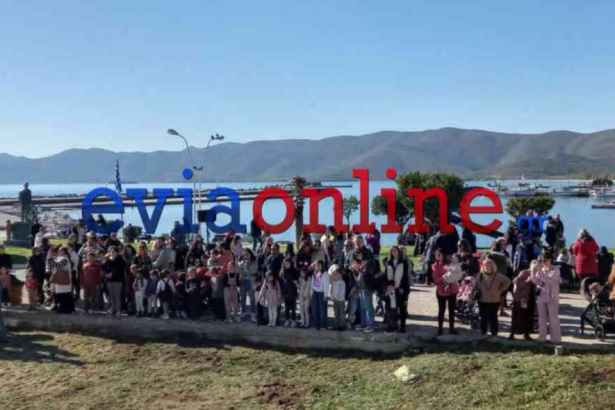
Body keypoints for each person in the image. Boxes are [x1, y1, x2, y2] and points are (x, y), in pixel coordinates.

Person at [531, 251, 561, 343]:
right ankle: (542, 337)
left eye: (544, 260)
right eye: (541, 261)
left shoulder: (556, 269)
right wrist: (533, 271)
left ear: (550, 260)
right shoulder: (541, 270)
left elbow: (549, 280)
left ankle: (555, 339)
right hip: (541, 296)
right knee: (541, 318)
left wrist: (540, 271)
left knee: (553, 318)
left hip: (552, 297)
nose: (543, 262)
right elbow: (535, 281)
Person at [477, 258, 511, 336]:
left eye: (488, 265)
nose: (487, 266)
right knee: (483, 317)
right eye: (485, 265)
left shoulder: (498, 275)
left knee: (493, 317)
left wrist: (501, 289)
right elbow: (476, 285)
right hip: (482, 299)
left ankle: (494, 332)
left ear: (492, 266)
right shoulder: (480, 275)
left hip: (494, 300)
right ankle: (483, 331)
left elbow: (508, 281)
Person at [432, 249, 458, 335]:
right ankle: (440, 329)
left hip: (452, 290)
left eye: (440, 255)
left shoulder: (452, 264)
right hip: (441, 290)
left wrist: (451, 278)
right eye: (438, 255)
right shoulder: (435, 266)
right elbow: (436, 279)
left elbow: (456, 275)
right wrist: (445, 278)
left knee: (451, 310)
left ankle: (451, 328)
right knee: (441, 310)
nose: (439, 256)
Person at [385, 246, 410, 333]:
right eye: (392, 251)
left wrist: (403, 287)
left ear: (399, 252)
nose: (394, 252)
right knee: (392, 308)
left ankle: (403, 326)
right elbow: (386, 275)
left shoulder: (404, 262)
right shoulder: (388, 262)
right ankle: (393, 325)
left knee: (402, 308)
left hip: (401, 288)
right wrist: (388, 286)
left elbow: (405, 277)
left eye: (395, 251)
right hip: (391, 288)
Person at [509, 262, 536, 341]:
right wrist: (527, 281)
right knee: (518, 315)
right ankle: (512, 334)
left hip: (531, 298)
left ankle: (526, 334)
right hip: (522, 298)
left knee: (528, 316)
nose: (536, 269)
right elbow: (516, 282)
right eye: (534, 267)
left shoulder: (538, 274)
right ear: (530, 266)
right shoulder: (524, 273)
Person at [102, 246, 126, 317]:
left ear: (117, 252)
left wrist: (112, 274)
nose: (112, 253)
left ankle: (118, 310)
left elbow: (120, 269)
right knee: (111, 296)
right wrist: (106, 274)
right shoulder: (108, 259)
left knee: (117, 296)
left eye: (113, 251)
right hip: (109, 280)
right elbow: (103, 267)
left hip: (118, 280)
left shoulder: (120, 259)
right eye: (110, 251)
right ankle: (113, 308)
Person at [238, 249, 258, 319]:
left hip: (251, 282)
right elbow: (240, 272)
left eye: (247, 254)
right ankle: (243, 312)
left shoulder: (254, 262)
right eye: (244, 254)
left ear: (250, 254)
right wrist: (242, 267)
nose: (246, 255)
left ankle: (253, 313)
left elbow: (255, 271)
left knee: (252, 298)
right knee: (242, 298)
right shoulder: (241, 263)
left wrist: (247, 268)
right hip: (243, 282)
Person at [310, 260, 330, 330]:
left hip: (322, 293)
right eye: (316, 265)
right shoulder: (314, 273)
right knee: (315, 310)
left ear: (322, 266)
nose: (317, 267)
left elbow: (326, 285)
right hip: (315, 293)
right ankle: (317, 325)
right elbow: (312, 283)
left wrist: (326, 295)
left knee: (323, 310)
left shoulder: (325, 274)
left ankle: (324, 325)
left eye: (319, 265)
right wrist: (311, 293)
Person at [280, 257, 299, 326]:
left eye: (288, 263)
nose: (287, 265)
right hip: (286, 291)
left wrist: (296, 283)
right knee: (286, 308)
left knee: (293, 308)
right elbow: (282, 281)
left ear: (291, 263)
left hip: (293, 291)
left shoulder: (294, 271)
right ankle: (287, 320)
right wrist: (282, 293)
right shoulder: (283, 271)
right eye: (285, 263)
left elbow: (296, 281)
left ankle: (293, 320)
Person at [329, 265, 346, 331]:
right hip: (335, 300)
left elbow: (342, 292)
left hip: (341, 300)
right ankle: (336, 325)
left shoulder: (342, 282)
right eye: (334, 274)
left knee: (341, 313)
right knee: (336, 313)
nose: (335, 276)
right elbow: (332, 290)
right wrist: (332, 297)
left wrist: (337, 297)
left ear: (340, 275)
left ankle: (342, 326)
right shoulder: (334, 282)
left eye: (336, 274)